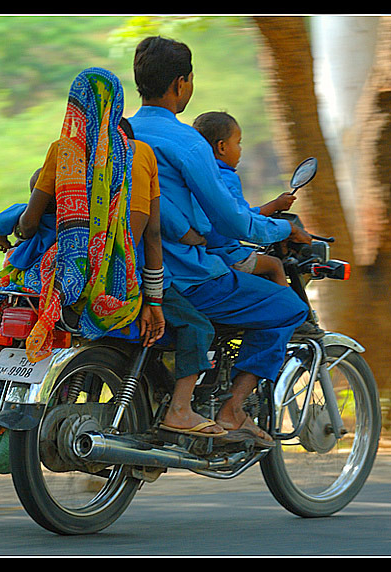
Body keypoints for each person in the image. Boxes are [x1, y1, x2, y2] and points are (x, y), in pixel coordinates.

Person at [129, 36, 312, 447]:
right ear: (181, 84)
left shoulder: (118, 133)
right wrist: (284, 229)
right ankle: (233, 409)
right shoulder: (186, 142)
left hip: (124, 269)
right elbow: (231, 221)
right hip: (183, 275)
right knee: (287, 307)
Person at [22, 109, 225, 436]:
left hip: (60, 280)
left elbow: (28, 224)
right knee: (197, 326)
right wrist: (153, 301)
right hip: (123, 284)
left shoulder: (63, 151)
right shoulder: (139, 154)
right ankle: (180, 410)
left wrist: (24, 226)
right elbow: (153, 235)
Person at [192, 110, 291, 287]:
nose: (240, 149)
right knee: (274, 265)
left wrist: (275, 205)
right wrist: (285, 228)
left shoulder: (198, 173)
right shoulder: (225, 177)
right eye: (238, 143)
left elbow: (239, 215)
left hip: (203, 252)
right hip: (227, 253)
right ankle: (288, 302)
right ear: (222, 147)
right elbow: (243, 222)